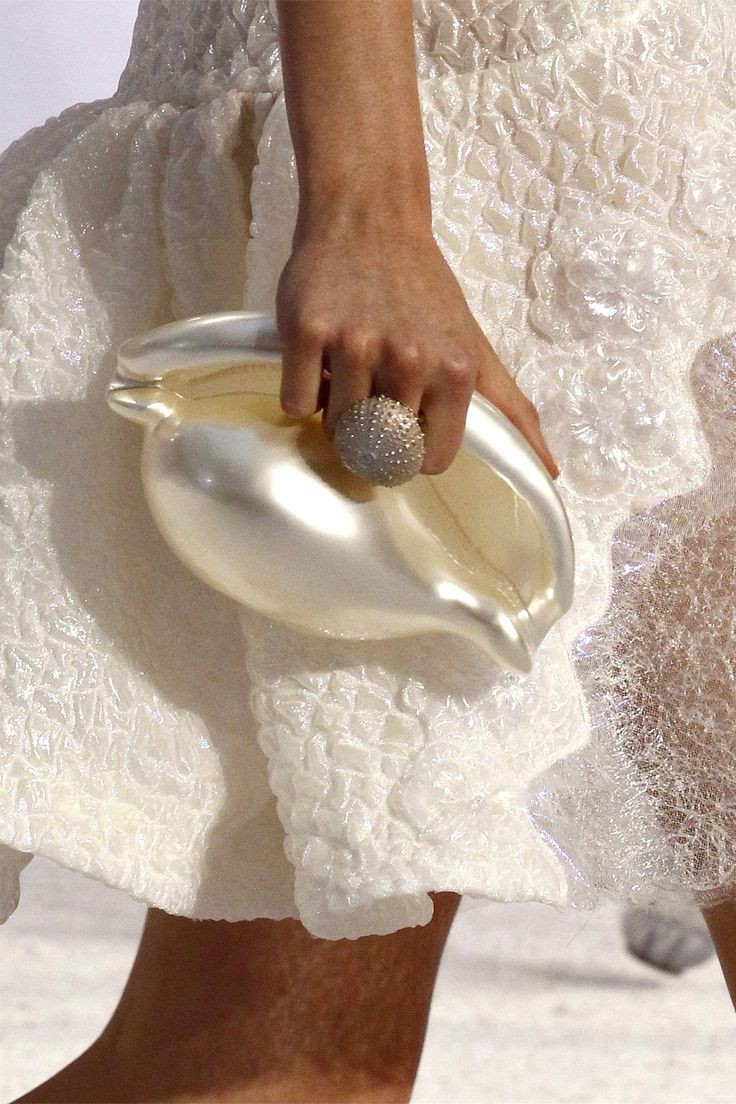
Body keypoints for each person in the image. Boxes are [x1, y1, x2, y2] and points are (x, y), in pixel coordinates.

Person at [1, 1, 735, 1101]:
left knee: (279, 1074)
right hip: (445, 126)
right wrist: (366, 206)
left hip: (635, 126)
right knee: (281, 1074)